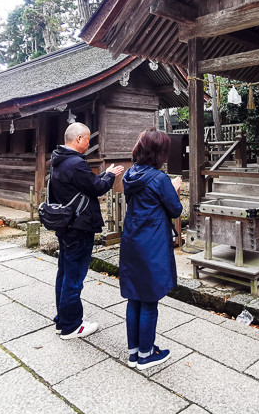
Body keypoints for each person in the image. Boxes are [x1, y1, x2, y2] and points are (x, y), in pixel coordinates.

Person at [50, 122, 124, 339]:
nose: (89, 143)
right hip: (79, 226)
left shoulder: (59, 160)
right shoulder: (76, 164)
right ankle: (72, 326)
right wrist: (110, 176)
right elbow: (97, 187)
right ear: (79, 139)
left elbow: (86, 185)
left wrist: (104, 174)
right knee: (74, 278)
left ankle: (62, 320)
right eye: (88, 139)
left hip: (65, 225)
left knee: (64, 274)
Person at [120, 128, 183, 371]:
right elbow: (175, 209)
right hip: (152, 242)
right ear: (158, 152)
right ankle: (146, 355)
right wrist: (175, 188)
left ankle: (133, 351)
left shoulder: (129, 174)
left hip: (132, 239)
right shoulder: (159, 179)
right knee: (149, 300)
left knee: (134, 297)